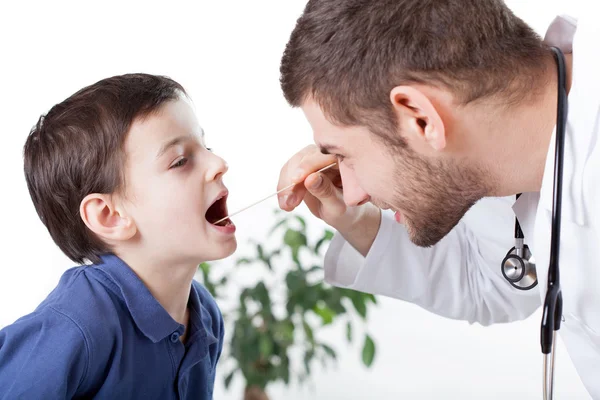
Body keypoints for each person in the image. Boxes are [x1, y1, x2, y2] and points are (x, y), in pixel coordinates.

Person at [276, 0, 600, 398]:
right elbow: (498, 281)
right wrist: (357, 222)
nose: (354, 190)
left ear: (420, 117)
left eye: (343, 155)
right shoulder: (515, 155)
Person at [0, 73, 236, 399]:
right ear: (110, 217)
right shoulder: (80, 322)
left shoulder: (205, 316)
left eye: (206, 146)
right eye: (180, 161)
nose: (219, 163)